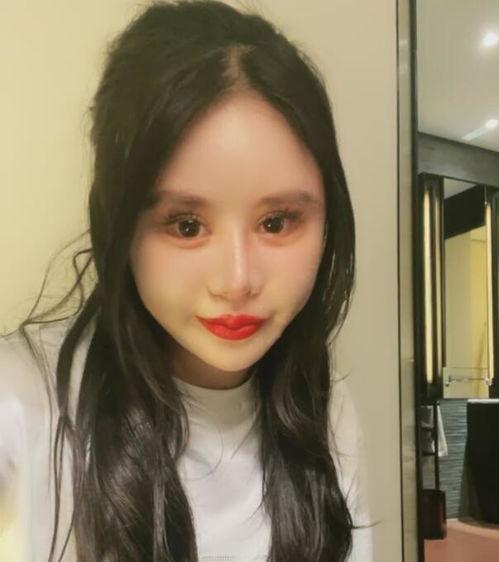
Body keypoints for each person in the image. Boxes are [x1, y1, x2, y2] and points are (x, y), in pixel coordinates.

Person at [0, 1, 373, 560]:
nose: (237, 281)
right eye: (186, 225)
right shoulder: (24, 398)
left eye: (276, 222)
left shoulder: (326, 405)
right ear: (120, 223)